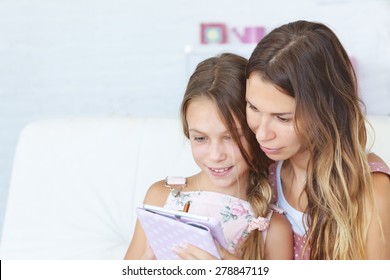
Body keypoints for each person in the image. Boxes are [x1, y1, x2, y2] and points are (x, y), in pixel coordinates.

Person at [124, 53, 293, 260]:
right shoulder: (161, 197)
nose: (215, 155)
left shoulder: (273, 227)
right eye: (201, 138)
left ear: (254, 132)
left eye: (230, 137)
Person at [245, 20, 390, 259]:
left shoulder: (371, 191)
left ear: (325, 111)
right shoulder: (260, 176)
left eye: (282, 118)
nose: (262, 134)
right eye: (253, 107)